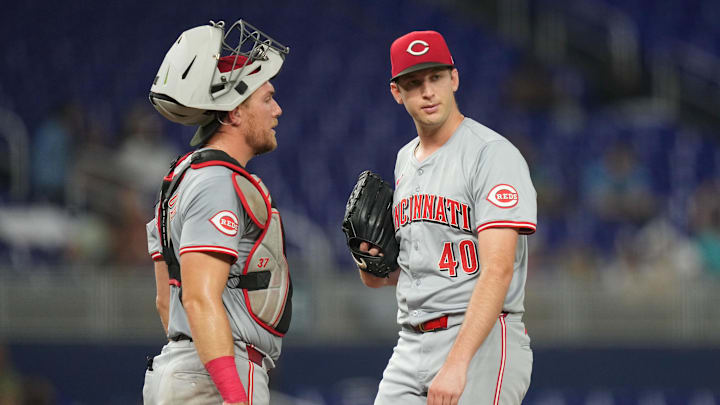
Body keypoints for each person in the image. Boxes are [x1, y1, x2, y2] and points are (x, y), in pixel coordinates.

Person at [358, 31, 537, 405]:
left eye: (436, 77)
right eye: (414, 83)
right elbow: (410, 271)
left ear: (453, 79)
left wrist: (457, 362)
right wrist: (372, 263)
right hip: (411, 339)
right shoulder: (405, 160)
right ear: (397, 92)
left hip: (480, 338)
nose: (427, 91)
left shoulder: (491, 155)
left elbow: (499, 269)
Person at [142, 20, 292, 405]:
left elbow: (166, 301)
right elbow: (198, 298)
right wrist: (232, 392)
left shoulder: (181, 176)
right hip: (215, 379)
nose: (277, 109)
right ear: (234, 113)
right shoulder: (216, 182)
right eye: (266, 98)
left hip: (189, 369)